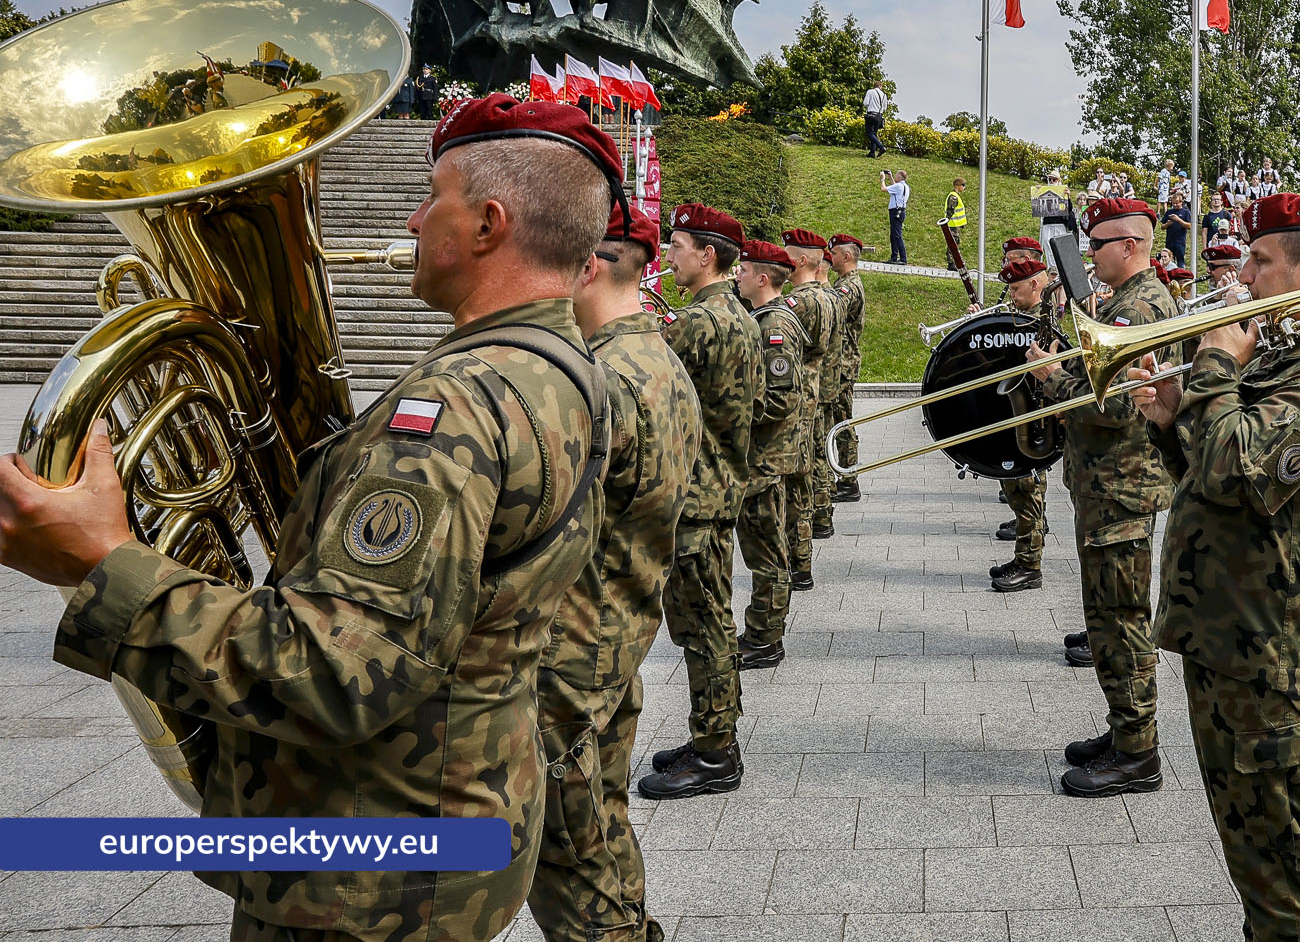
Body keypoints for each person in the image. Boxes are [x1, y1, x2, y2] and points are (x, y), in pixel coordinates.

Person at [0, 94, 619, 937]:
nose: (411, 214)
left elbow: (337, 670)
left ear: (487, 223)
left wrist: (103, 562)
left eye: (430, 193)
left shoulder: (452, 409)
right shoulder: (562, 371)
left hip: (366, 872)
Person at [1134, 193, 1300, 942]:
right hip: (1230, 636)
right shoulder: (1285, 361)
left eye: (1260, 260)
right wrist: (1173, 418)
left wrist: (1214, 363)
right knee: (1250, 853)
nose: (1242, 275)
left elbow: (1243, 471)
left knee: (1277, 872)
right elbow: (1220, 478)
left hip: (1273, 656)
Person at [531, 202, 700, 942]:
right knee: (601, 812)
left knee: (568, 846)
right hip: (619, 625)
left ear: (587, 266)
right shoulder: (660, 359)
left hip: (571, 648)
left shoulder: (601, 380)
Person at [1029, 196, 1178, 796]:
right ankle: (1124, 730)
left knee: (1119, 620)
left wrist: (1051, 377)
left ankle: (1138, 752)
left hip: (1122, 486)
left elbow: (1118, 405)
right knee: (1107, 617)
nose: (1089, 255)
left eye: (1099, 244)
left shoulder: (1140, 306)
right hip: (1108, 484)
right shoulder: (1123, 302)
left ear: (1131, 246)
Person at [643, 203, 764, 800]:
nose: (670, 254)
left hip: (693, 496)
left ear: (707, 254)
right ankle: (712, 738)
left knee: (704, 626)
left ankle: (716, 752)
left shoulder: (698, 323)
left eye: (679, 244)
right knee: (709, 620)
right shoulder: (742, 317)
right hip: (718, 488)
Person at [730, 238, 807, 673]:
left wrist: (732, 409)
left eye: (743, 270)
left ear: (762, 278)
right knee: (768, 551)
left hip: (764, 459)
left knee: (767, 555)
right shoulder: (766, 317)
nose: (736, 275)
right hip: (767, 457)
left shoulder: (773, 324)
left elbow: (780, 399)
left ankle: (764, 638)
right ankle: (762, 631)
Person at [990, 255, 1058, 594]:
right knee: (1015, 490)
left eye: (1017, 289)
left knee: (1028, 492)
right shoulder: (1022, 316)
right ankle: (1023, 555)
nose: (1012, 295)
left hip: (1036, 415)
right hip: (1020, 413)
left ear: (1036, 284)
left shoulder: (1046, 319)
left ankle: (1030, 565)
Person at [780, 229, 845, 567]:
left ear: (801, 260)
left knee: (801, 472)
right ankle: (822, 514)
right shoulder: (829, 296)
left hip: (802, 394)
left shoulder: (801, 301)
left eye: (786, 252)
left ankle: (802, 548)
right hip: (820, 387)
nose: (781, 257)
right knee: (815, 458)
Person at [828, 234, 868, 506]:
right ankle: (846, 476)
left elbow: (830, 313)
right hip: (839, 363)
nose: (829, 257)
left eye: (833, 253)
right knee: (838, 421)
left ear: (846, 256)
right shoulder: (843, 283)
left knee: (842, 423)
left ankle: (849, 480)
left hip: (842, 364)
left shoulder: (849, 287)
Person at [941, 177, 970, 272]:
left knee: (955, 243)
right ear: (957, 185)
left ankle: (954, 262)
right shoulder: (953, 196)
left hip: (955, 224)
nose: (964, 187)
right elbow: (951, 210)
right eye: (963, 185)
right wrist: (946, 222)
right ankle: (951, 262)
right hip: (952, 224)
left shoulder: (956, 195)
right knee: (953, 243)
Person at [881, 169, 910, 264]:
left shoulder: (898, 186)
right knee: (894, 235)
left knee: (897, 235)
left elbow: (883, 189)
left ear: (900, 177)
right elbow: (895, 187)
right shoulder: (905, 186)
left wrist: (883, 179)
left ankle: (903, 258)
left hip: (895, 212)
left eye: (897, 175)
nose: (896, 177)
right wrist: (891, 177)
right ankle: (894, 256)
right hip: (901, 211)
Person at [1163, 190, 1193, 267]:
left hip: (1180, 242)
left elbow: (1189, 226)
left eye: (1177, 203)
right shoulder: (1169, 212)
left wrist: (1178, 220)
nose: (1175, 205)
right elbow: (1162, 227)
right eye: (1173, 203)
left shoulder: (1186, 212)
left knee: (1180, 263)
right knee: (1168, 262)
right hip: (1169, 241)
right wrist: (1168, 224)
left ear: (1181, 202)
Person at [862, 79, 888, 157]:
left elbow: (865, 103)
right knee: (874, 134)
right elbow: (885, 108)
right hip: (879, 116)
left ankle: (881, 147)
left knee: (869, 133)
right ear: (880, 86)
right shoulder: (884, 95)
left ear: (874, 86)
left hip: (871, 114)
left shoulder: (870, 91)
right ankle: (872, 152)